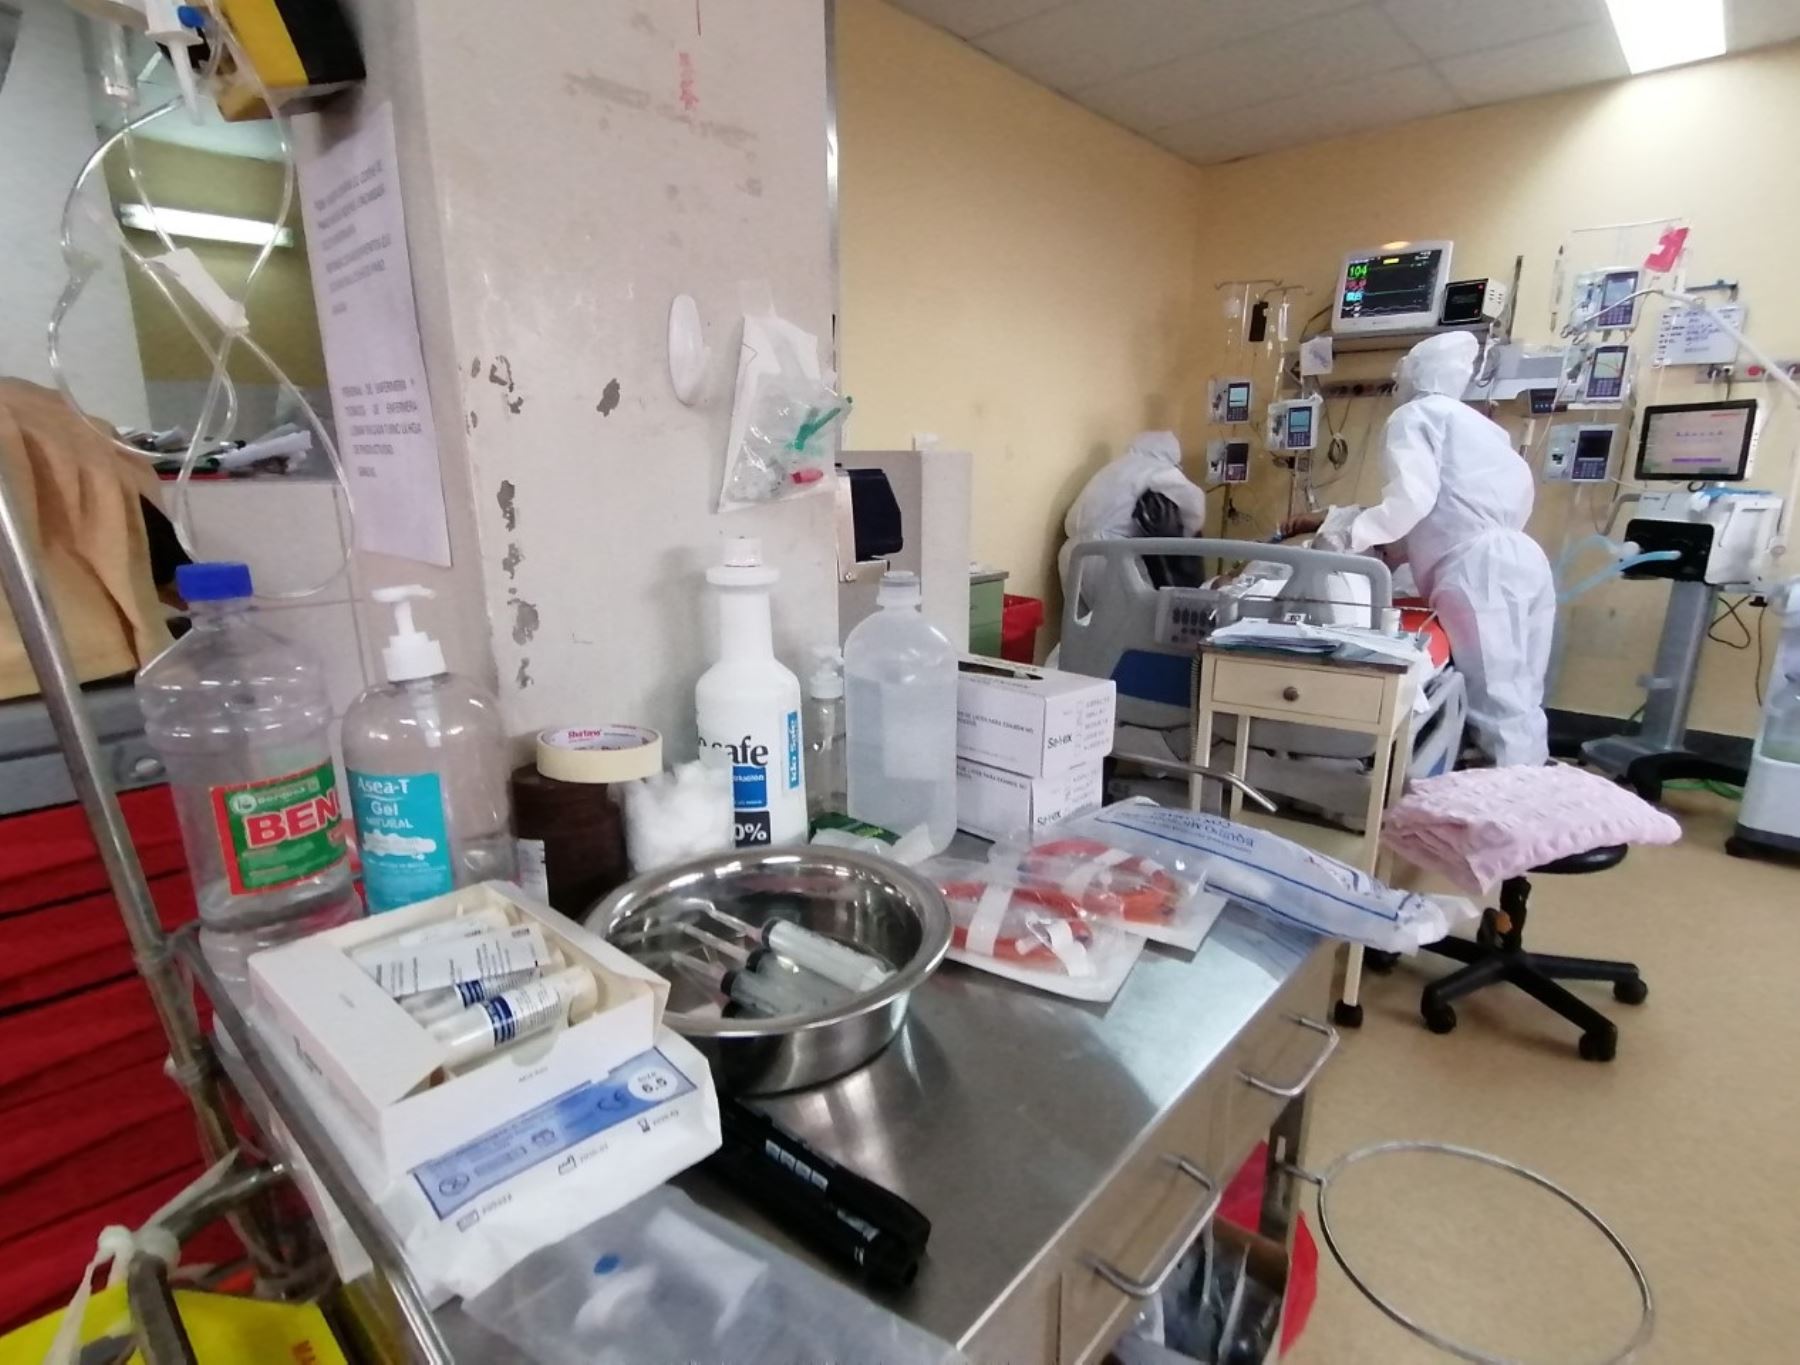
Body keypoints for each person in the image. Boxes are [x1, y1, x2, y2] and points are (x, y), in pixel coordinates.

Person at [1282, 332, 1555, 767]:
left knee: (1497, 693)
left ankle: (1509, 794)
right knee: (1522, 686)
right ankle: (1531, 775)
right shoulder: (1481, 428)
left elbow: (1410, 503)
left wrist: (1347, 537)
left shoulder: (1416, 416)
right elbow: (1441, 509)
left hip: (1476, 571)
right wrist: (1334, 520)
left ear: (1413, 373)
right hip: (1524, 559)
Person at [1058, 431, 1206, 607]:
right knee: (1131, 620)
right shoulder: (1159, 468)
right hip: (1111, 554)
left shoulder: (1114, 467)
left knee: (1079, 622)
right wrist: (1189, 535)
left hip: (1073, 552)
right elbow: (1194, 501)